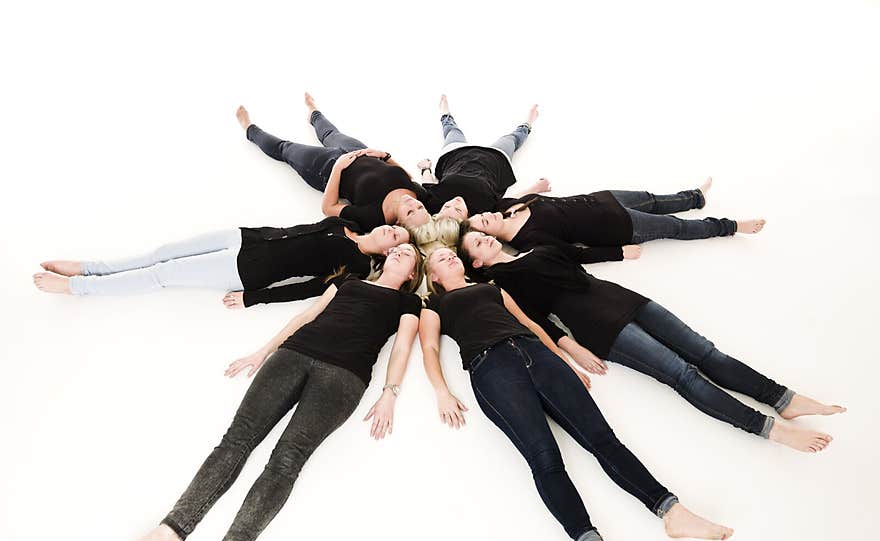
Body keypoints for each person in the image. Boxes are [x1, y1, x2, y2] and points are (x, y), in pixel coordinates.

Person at [108, 244, 424, 541]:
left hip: (344, 377)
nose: (400, 251)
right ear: (384, 258)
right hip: (294, 355)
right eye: (396, 247)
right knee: (235, 441)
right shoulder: (350, 283)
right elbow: (305, 317)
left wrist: (390, 393)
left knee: (286, 461)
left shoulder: (409, 306)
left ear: (413, 272)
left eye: (409, 252)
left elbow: (401, 349)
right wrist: (263, 351)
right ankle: (170, 532)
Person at [420, 247, 734, 541]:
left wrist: (564, 362)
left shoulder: (493, 288)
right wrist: (441, 391)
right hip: (491, 368)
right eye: (439, 259)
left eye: (451, 254)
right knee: (544, 459)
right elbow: (430, 349)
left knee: (603, 438)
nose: (448, 258)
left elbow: (530, 325)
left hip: (537, 354)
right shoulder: (433, 308)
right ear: (432, 276)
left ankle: (672, 511)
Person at [457, 230, 845, 453]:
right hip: (602, 328)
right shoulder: (501, 282)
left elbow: (581, 252)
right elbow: (537, 321)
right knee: (683, 374)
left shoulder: (536, 245)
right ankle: (768, 428)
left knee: (707, 351)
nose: (484, 239)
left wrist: (621, 252)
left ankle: (784, 400)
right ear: (474, 263)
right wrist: (570, 349)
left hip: (626, 299)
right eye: (475, 244)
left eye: (482, 235)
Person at [33, 218, 411, 305]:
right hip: (246, 237)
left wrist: (253, 298)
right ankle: (89, 267)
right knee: (159, 252)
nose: (393, 234)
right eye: (396, 230)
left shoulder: (357, 269)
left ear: (386, 254)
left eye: (398, 242)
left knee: (161, 275)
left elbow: (309, 290)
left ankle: (76, 287)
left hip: (247, 271)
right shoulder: (348, 222)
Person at [236, 95, 431, 232]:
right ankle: (313, 113)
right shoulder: (418, 195)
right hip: (362, 152)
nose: (412, 203)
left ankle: (249, 128)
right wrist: (385, 156)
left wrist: (338, 167)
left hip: (326, 169)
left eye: (410, 212)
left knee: (285, 149)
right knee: (331, 134)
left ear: (398, 222)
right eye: (419, 208)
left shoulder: (374, 218)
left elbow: (328, 208)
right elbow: (407, 176)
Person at [464, 178, 766, 262]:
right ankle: (732, 227)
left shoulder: (507, 206)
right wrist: (618, 254)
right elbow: (575, 255)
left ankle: (695, 197)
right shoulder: (527, 241)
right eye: (483, 224)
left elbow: (527, 196)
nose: (486, 217)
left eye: (480, 215)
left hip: (605, 199)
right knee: (677, 226)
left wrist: (536, 189)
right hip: (618, 227)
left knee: (655, 198)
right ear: (493, 239)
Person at [409, 95, 550, 252]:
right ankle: (528, 123)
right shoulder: (481, 212)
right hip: (494, 159)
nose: (455, 201)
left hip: (456, 154)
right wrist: (537, 188)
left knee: (451, 130)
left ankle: (445, 113)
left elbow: (428, 184)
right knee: (512, 138)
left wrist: (425, 168)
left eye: (447, 205)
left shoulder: (433, 203)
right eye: (458, 210)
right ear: (466, 221)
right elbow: (511, 202)